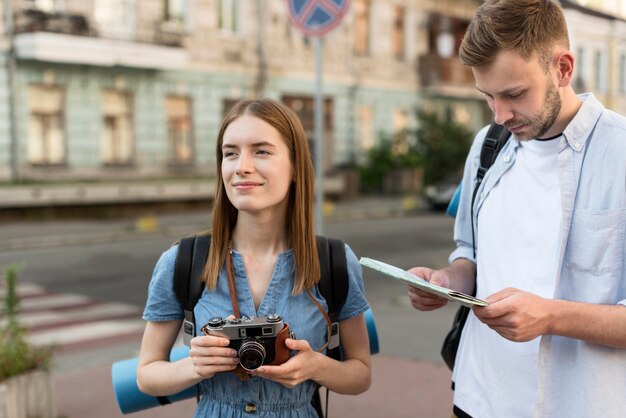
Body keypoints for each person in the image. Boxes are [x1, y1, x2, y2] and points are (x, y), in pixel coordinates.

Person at [407, 1, 626, 417]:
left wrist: (549, 317)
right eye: (487, 96)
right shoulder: (488, 145)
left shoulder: (619, 153)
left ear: (562, 69)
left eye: (514, 94)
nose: (500, 114)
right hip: (478, 397)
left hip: (580, 405)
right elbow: (469, 253)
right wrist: (447, 279)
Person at [136, 98, 372, 417]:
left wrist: (317, 367)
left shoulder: (334, 262)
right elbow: (147, 375)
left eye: (261, 151)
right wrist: (194, 367)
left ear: (294, 167)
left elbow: (360, 374)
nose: (241, 166)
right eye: (230, 153)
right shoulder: (182, 261)